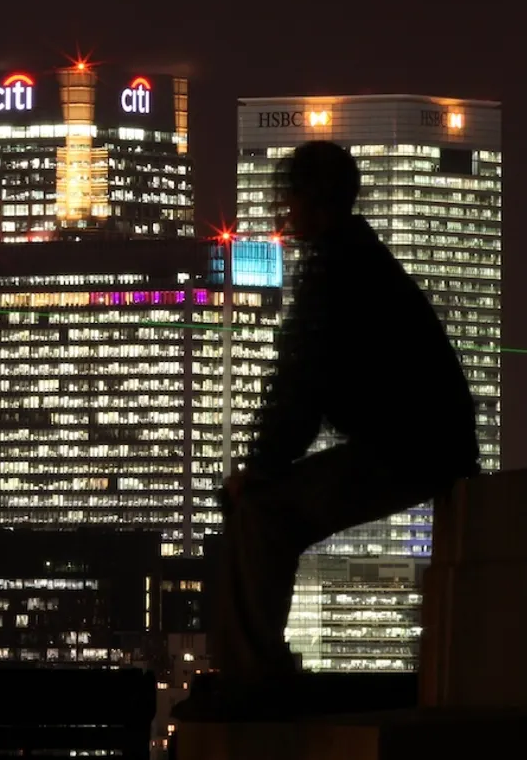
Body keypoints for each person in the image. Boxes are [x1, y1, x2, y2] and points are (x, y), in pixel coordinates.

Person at [174, 141, 480, 721]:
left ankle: (252, 678)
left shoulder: (336, 268)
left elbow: (298, 389)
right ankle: (255, 668)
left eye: (289, 198)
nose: (282, 212)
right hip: (422, 446)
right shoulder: (353, 258)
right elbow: (302, 389)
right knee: (267, 508)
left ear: (313, 204)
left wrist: (259, 471)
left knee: (262, 513)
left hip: (411, 452)